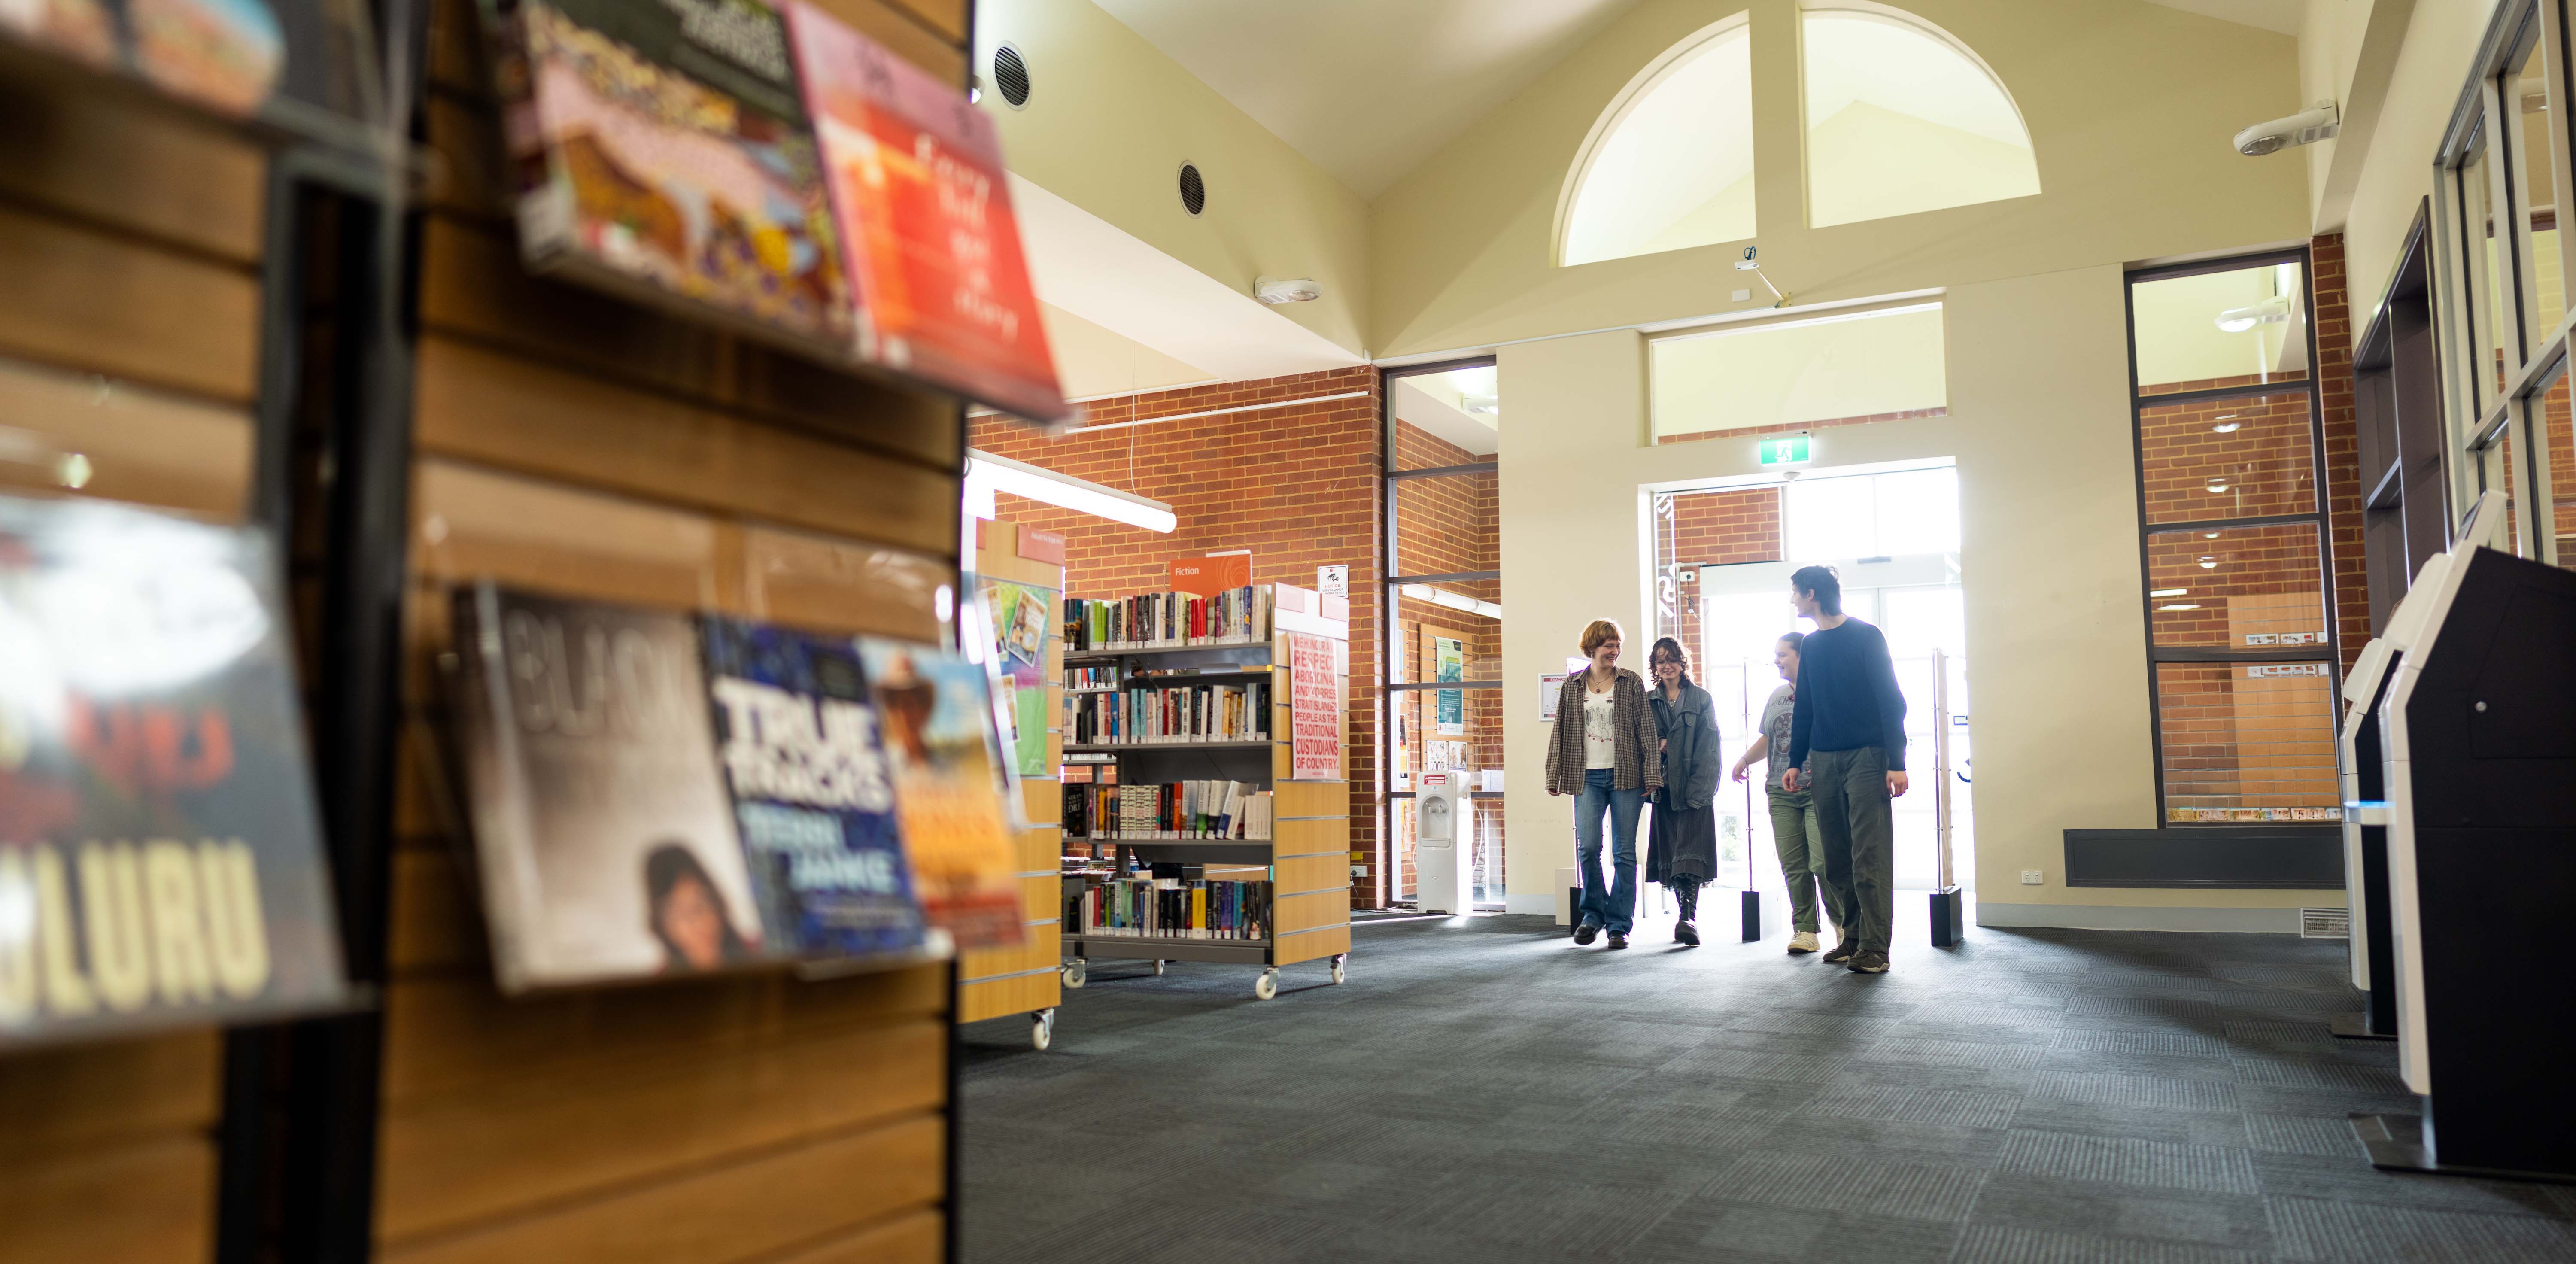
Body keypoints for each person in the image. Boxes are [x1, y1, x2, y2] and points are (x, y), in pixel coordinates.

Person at [1779, 565, 1908, 975]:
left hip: (1868, 758)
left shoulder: (1867, 636)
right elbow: (1807, 708)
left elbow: (1891, 700)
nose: (1793, 600)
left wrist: (1897, 761)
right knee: (1836, 856)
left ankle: (1875, 947)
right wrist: (1796, 761)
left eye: (1796, 593)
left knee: (1868, 853)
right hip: (1824, 758)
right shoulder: (1813, 646)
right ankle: (1851, 937)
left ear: (1812, 594)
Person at [1544, 618, 1661, 950]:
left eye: (1617, 645)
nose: (1615, 651)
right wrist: (1554, 775)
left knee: (1624, 853)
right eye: (1608, 645)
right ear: (1592, 647)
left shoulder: (1631, 682)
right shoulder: (1572, 686)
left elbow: (1646, 733)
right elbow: (1561, 733)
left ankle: (1619, 925)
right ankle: (1593, 915)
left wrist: (1652, 774)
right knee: (1588, 847)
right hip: (1586, 777)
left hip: (1626, 775)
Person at [1730, 631, 1847, 955]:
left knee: (1823, 863)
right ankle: (1806, 930)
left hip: (1818, 789)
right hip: (1780, 792)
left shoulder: (1825, 692)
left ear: (1802, 657)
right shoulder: (1777, 695)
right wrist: (1743, 760)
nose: (1777, 661)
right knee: (1794, 865)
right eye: (1776, 655)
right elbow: (1769, 739)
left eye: (1783, 655)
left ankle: (1844, 925)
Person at [1643, 637, 1720, 945]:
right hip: (1664, 791)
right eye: (1660, 661)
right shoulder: (1649, 701)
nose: (1667, 666)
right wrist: (1656, 748)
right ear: (1655, 667)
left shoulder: (1701, 699)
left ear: (1682, 662)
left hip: (1694, 790)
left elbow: (1709, 748)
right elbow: (1642, 744)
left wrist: (1701, 790)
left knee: (1691, 856)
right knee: (1675, 856)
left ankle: (1688, 917)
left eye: (1672, 659)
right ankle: (1685, 916)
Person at [644, 842, 754, 972]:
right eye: (680, 912)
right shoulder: (660, 987)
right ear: (663, 925)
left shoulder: (759, 955)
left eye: (701, 904)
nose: (698, 923)